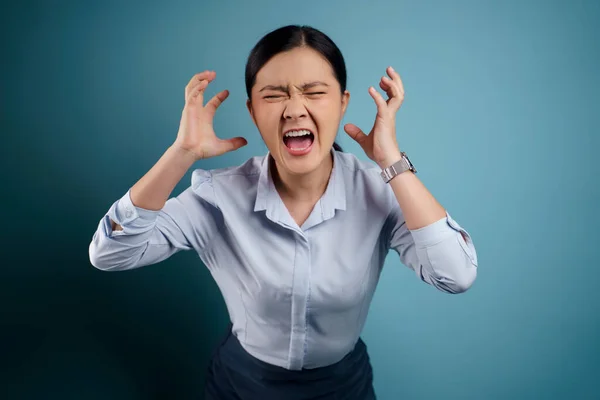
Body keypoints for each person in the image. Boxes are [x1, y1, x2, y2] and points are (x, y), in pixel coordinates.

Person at [89, 24, 478, 400]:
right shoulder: (217, 196)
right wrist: (181, 154)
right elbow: (110, 254)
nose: (295, 109)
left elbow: (455, 274)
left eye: (314, 92)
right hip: (241, 384)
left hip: (343, 386)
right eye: (274, 95)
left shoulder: (379, 190)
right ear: (253, 110)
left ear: (343, 103)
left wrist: (391, 162)